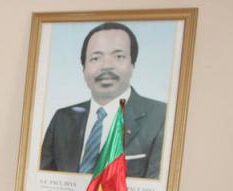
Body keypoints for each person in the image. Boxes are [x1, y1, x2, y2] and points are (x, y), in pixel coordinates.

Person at [40, 22, 166, 179]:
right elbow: (43, 182)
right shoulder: (62, 118)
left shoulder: (162, 116)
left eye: (118, 56)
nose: (106, 66)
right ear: (83, 68)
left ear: (133, 65)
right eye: (95, 58)